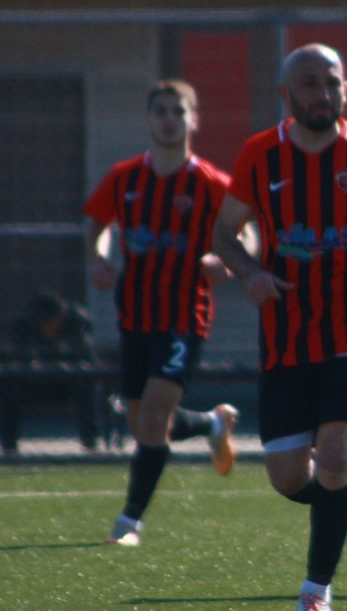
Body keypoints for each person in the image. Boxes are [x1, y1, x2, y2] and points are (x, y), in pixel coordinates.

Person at [210, 43, 347, 611]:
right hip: (287, 336)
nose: (322, 94)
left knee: (332, 456)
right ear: (285, 95)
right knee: (288, 479)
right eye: (309, 84)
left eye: (331, 83)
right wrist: (250, 273)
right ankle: (340, 493)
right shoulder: (260, 155)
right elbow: (225, 233)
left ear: (345, 90)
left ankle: (315, 592)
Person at [84, 79, 241, 547]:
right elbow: (97, 223)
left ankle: (130, 520)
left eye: (179, 111)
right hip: (134, 312)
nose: (170, 119)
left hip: (183, 317)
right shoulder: (126, 177)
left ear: (194, 120)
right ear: (149, 120)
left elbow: (245, 235)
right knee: (145, 423)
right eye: (162, 111)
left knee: (153, 417)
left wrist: (226, 261)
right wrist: (98, 256)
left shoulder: (212, 183)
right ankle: (213, 424)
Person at [0, 289, 101, 454]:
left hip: (69, 382)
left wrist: (65, 365)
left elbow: (87, 359)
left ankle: (90, 442)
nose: (48, 327)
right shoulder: (23, 324)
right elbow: (15, 358)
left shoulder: (77, 321)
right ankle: (8, 445)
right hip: (34, 383)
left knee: (87, 388)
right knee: (11, 387)